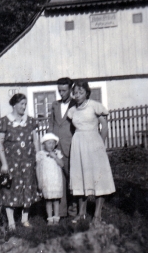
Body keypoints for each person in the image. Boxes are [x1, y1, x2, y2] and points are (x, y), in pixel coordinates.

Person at [67, 80, 115, 226]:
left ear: (87, 93)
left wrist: (101, 143)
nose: (77, 95)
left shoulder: (94, 106)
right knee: (81, 178)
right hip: (78, 145)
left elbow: (104, 126)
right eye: (75, 92)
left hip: (94, 144)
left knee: (98, 178)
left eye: (81, 92)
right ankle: (82, 213)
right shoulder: (72, 111)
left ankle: (97, 215)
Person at [0, 93, 40, 241]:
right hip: (11, 162)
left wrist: (38, 155)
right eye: (21, 104)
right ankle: (12, 222)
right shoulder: (4, 122)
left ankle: (25, 218)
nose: (24, 107)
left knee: (28, 187)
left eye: (25, 104)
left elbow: (35, 140)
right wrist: (4, 163)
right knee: (9, 190)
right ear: (14, 105)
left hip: (27, 161)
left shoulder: (30, 122)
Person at [48, 77, 76, 217]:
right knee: (60, 180)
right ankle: (62, 211)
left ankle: (74, 207)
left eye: (64, 90)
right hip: (57, 148)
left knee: (73, 178)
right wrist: (50, 144)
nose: (61, 93)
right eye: (59, 90)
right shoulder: (55, 105)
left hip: (71, 146)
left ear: (70, 89)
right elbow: (51, 124)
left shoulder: (76, 104)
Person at [36, 133, 64, 225]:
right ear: (44, 144)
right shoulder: (40, 154)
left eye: (53, 143)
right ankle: (50, 219)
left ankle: (56, 218)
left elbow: (62, 164)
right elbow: (38, 168)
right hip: (46, 180)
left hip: (55, 180)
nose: (51, 145)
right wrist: (39, 181)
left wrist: (55, 157)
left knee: (56, 200)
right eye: (49, 143)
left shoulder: (57, 153)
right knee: (48, 200)